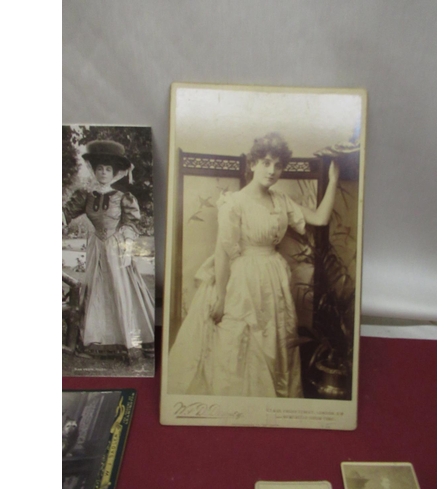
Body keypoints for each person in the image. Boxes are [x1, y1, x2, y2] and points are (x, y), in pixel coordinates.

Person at [168, 132, 339, 397]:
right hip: (243, 278)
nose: (272, 171)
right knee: (242, 342)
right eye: (266, 163)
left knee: (274, 341)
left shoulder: (281, 200)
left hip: (274, 277)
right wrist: (222, 297)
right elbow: (223, 252)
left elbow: (319, 218)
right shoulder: (234, 203)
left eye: (278, 165)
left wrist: (334, 180)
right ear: (253, 164)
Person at [63, 140, 154, 360]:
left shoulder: (122, 197)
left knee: (120, 288)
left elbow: (131, 223)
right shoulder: (85, 195)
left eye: (107, 169)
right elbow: (66, 213)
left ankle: (128, 340)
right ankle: (97, 339)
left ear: (113, 173)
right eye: (99, 169)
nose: (103, 172)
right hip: (96, 246)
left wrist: (128, 245)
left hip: (116, 246)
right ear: (93, 171)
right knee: (96, 289)